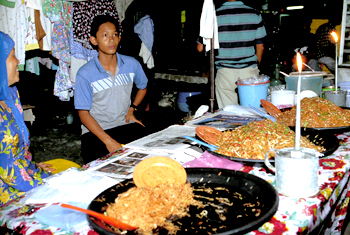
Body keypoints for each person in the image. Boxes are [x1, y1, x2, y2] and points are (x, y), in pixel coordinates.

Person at [74, 15, 149, 164]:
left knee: (150, 158)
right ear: (94, 40)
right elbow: (83, 114)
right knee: (105, 171)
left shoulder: (131, 64)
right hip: (96, 132)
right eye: (105, 35)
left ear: (120, 37)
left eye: (115, 34)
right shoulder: (85, 73)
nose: (111, 39)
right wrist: (109, 142)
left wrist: (131, 109)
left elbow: (143, 87)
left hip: (124, 125)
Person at [0, 31, 55, 206]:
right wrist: (43, 183)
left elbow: (14, 151)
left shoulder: (10, 94)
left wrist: (32, 168)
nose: (18, 61)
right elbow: (7, 173)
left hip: (19, 178)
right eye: (12, 56)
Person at [215, 0, 267, 109]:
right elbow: (260, 47)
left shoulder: (215, 15)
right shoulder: (254, 14)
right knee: (253, 112)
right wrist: (255, 66)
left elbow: (202, 46)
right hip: (249, 70)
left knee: (229, 115)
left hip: (225, 72)